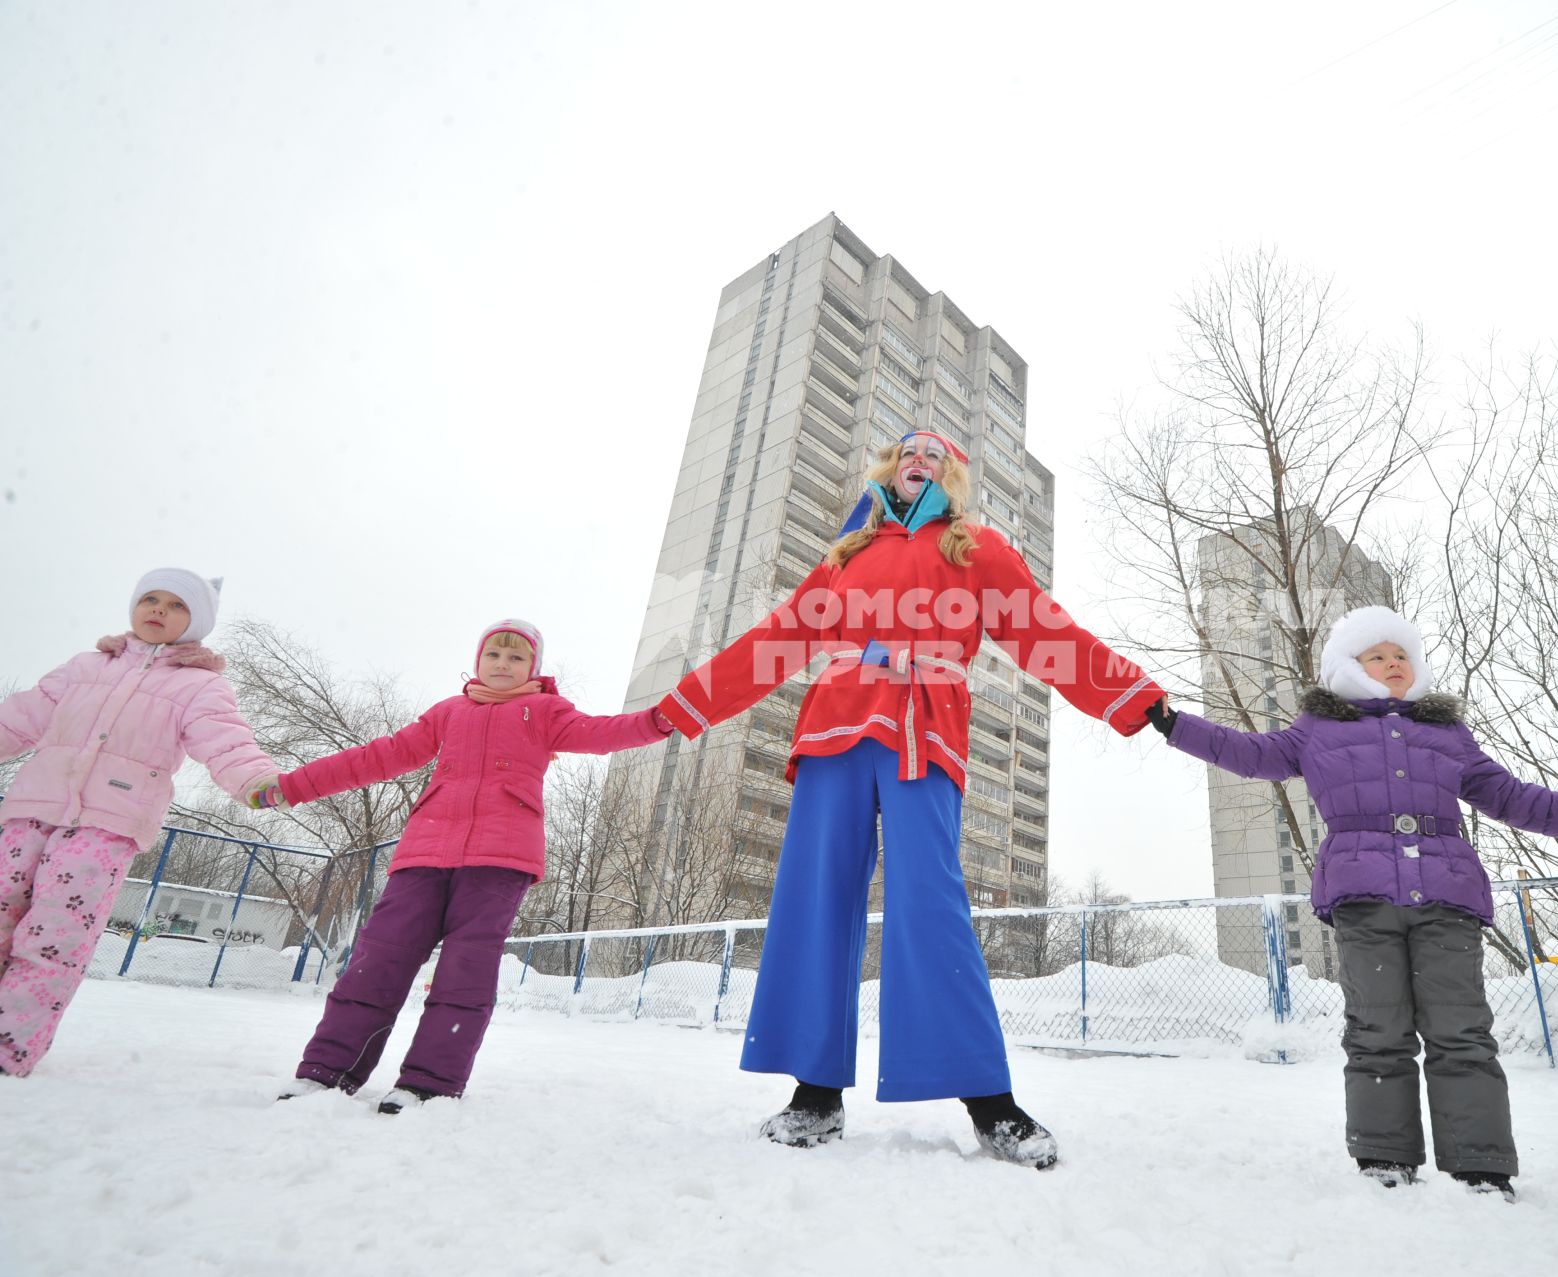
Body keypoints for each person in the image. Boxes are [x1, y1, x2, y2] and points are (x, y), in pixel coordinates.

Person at [654, 430, 1162, 1170]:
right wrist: (686, 705)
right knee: (814, 898)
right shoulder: (844, 556)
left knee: (930, 903)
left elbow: (1046, 632)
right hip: (833, 727)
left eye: (935, 453)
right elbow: (776, 638)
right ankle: (815, 1091)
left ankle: (990, 1101)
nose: (917, 458)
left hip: (925, 729)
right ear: (888, 468)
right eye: (905, 450)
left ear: (950, 475)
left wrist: (1129, 695)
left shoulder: (973, 547)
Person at [1146, 605, 1558, 1200]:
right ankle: (1383, 1159)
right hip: (1363, 897)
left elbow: (1517, 799)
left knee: (1462, 1029)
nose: (1394, 664)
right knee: (1377, 1029)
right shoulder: (1319, 730)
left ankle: (1482, 1164)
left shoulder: (1445, 733)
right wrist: (1174, 724)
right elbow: (1252, 755)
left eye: (1401, 656)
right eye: (1378, 656)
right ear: (1351, 666)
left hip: (1447, 895)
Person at [269, 620, 669, 1111]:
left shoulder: (544, 710)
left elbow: (605, 732)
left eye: (517, 657)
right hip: (423, 853)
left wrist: (662, 718)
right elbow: (379, 757)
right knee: (377, 964)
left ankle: (428, 1085)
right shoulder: (449, 713)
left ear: (534, 668)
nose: (503, 664)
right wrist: (292, 786)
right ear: (477, 661)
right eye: (494, 655)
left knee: (465, 972)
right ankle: (326, 1073)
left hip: (500, 860)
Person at [0, 568, 279, 1075]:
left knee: (54, 934)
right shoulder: (84, 667)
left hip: (108, 824)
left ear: (196, 624)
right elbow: (17, 718)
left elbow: (226, 741)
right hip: (31, 808)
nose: (159, 609)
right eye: (150, 598)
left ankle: (8, 1047)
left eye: (177, 606)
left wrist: (257, 781)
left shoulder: (202, 687)